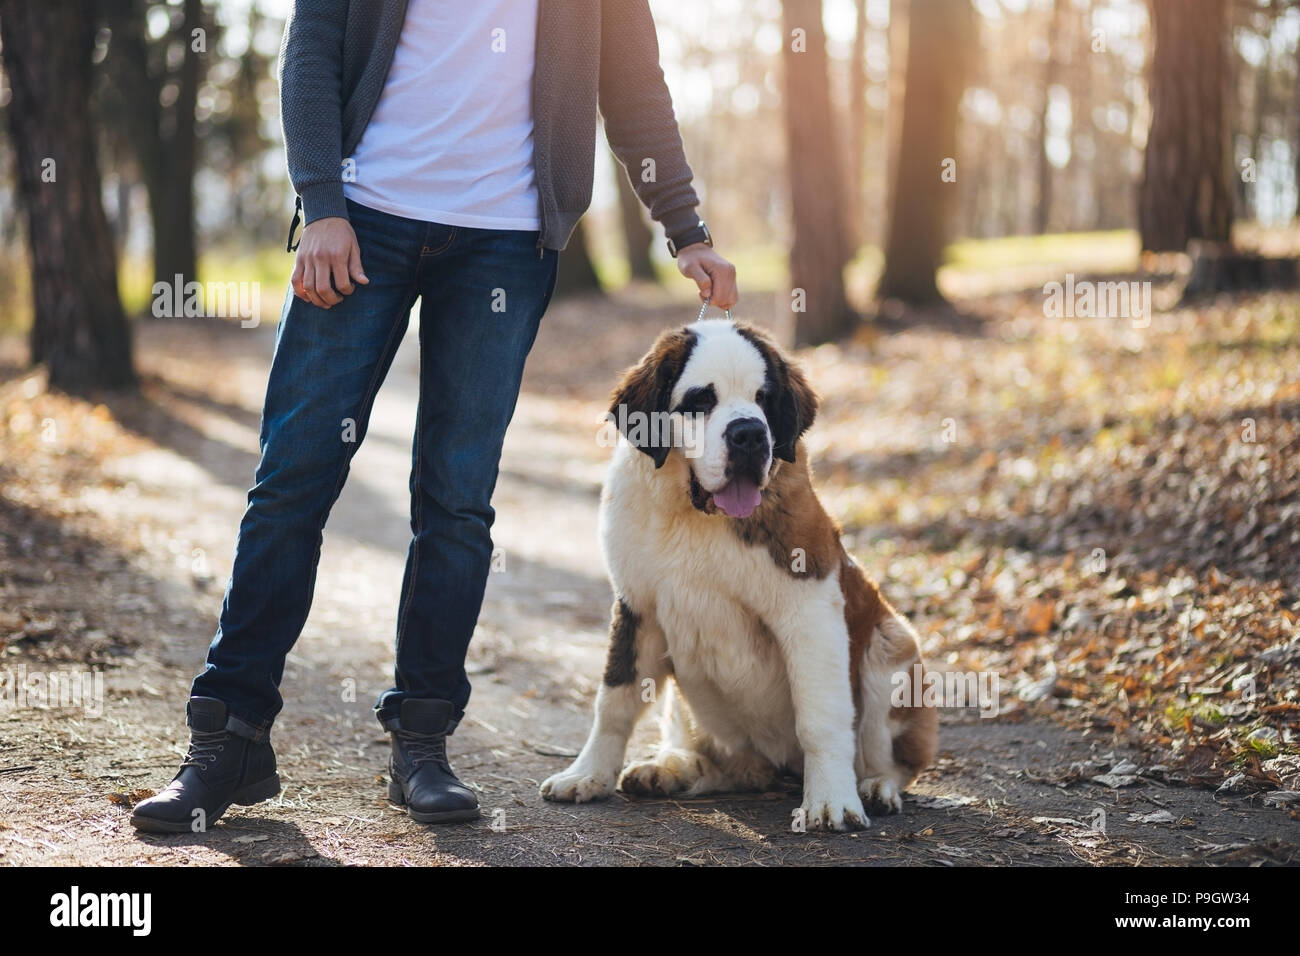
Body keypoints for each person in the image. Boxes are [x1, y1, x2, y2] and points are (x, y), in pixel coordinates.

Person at [130, 0, 738, 832]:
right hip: (361, 220)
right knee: (293, 477)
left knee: (456, 497)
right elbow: (310, 49)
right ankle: (227, 740)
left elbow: (633, 82)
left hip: (507, 238)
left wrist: (685, 227)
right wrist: (323, 202)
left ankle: (421, 741)